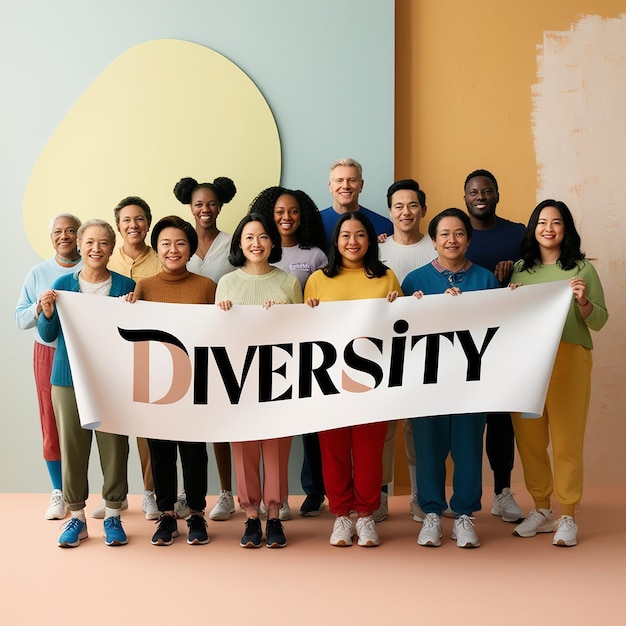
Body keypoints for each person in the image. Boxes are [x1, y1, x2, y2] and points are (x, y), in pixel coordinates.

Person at [509, 200, 608, 547]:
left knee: (567, 440)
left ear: (566, 229)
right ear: (533, 228)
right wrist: (511, 299)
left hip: (569, 360)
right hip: (528, 364)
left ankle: (567, 513)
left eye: (556, 222)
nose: (548, 228)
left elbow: (599, 320)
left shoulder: (581, 269)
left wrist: (583, 301)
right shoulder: (520, 270)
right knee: (530, 440)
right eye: (542, 222)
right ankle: (541, 509)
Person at [402, 208, 500, 548]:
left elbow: (501, 327)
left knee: (468, 447)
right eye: (444, 234)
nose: (451, 240)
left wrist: (514, 296)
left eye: (459, 233)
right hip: (427, 382)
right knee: (428, 447)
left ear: (469, 239)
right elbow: (400, 333)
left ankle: (463, 516)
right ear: (433, 241)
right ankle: (431, 512)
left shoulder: (486, 280)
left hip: (471, 382)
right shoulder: (414, 281)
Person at [304, 211, 401, 547]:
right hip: (329, 380)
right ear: (336, 241)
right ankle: (342, 515)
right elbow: (305, 333)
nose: (352, 242)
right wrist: (310, 309)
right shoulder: (317, 280)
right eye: (345, 236)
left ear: (370, 240)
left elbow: (402, 329)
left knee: (369, 450)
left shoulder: (386, 277)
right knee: (333, 450)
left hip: (373, 380)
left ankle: (366, 514)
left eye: (360, 235)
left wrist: (398, 306)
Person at [37, 219, 133, 548]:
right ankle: (76, 517)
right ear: (79, 245)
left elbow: (133, 338)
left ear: (112, 247)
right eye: (90, 242)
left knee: (114, 448)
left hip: (112, 381)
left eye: (104, 243)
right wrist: (47, 312)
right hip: (67, 379)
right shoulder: (63, 284)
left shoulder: (125, 285)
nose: (96, 249)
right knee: (73, 448)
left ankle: (114, 514)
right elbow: (48, 335)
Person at [216, 212, 302, 548]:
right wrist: (221, 313)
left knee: (277, 448)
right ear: (240, 242)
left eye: (263, 237)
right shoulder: (227, 284)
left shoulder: (288, 282)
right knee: (244, 448)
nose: (256, 243)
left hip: (280, 379)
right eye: (250, 237)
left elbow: (303, 333)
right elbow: (217, 337)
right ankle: (251, 516)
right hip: (239, 379)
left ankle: (276, 516)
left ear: (273, 242)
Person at [131, 215, 216, 546]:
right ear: (156, 248)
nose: (173, 249)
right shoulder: (145, 287)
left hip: (196, 383)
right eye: (165, 243)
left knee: (195, 452)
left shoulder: (206, 286)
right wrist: (128, 308)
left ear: (191, 248)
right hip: (156, 384)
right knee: (161, 451)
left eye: (181, 243)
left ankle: (196, 513)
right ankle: (166, 515)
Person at [248, 186, 328, 518]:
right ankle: (265, 499)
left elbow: (319, 299)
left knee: (309, 423)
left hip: (304, 349)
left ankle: (314, 490)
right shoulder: (258, 250)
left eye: (293, 211)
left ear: (303, 215)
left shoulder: (316, 256)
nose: (286, 217)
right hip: (259, 355)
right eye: (280, 211)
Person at [173, 175, 237, 522]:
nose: (206, 209)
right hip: (180, 347)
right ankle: (188, 493)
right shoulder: (177, 241)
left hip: (220, 344)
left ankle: (226, 492)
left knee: (219, 424)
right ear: (189, 206)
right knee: (185, 424)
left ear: (221, 205)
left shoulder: (232, 243)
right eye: (199, 204)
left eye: (211, 203)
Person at [463, 169, 526, 523]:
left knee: (502, 421)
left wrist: (512, 274)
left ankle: (502, 491)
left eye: (487, 190)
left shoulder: (518, 234)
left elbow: (535, 274)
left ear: (497, 195)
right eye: (474, 191)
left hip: (504, 343)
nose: (481, 196)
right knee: (463, 422)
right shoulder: (456, 232)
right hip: (462, 346)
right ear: (465, 198)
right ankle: (454, 498)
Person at [375, 179, 437, 523]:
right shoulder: (378, 250)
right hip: (383, 352)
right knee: (384, 427)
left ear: (423, 210)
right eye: (398, 206)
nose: (405, 212)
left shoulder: (437, 247)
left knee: (418, 428)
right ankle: (381, 496)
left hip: (424, 351)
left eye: (412, 205)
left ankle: (418, 496)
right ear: (389, 212)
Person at [15, 213, 82, 520]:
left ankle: (106, 494)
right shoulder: (38, 272)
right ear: (51, 237)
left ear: (80, 236)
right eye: (58, 231)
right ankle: (59, 492)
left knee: (95, 423)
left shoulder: (92, 266)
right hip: (49, 353)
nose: (64, 235)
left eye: (71, 230)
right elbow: (19, 319)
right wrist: (39, 307)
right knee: (51, 422)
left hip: (88, 353)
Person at [104, 195, 161, 521]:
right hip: (112, 353)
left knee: (146, 429)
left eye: (139, 219)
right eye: (127, 220)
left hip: (150, 354)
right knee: (113, 427)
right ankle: (117, 497)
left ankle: (150, 493)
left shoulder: (161, 259)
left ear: (148, 224)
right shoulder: (107, 262)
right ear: (118, 226)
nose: (133, 225)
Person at [320, 158, 393, 251]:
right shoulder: (314, 223)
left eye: (352, 180)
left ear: (361, 185)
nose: (345, 186)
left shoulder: (383, 226)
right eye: (339, 180)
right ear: (330, 186)